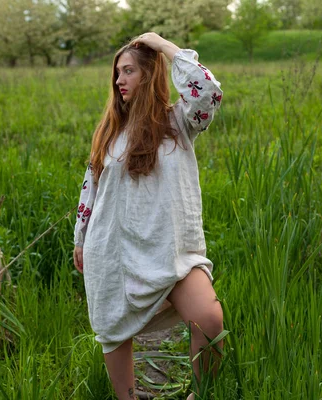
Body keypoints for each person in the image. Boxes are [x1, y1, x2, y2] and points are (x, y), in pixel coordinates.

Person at [73, 32, 224, 400]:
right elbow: (90, 189)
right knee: (114, 330)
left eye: (128, 72)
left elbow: (208, 90)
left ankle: (200, 395)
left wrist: (164, 46)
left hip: (171, 251)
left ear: (149, 75)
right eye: (117, 74)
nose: (119, 81)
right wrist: (80, 238)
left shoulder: (179, 123)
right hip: (113, 251)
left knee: (210, 321)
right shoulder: (110, 133)